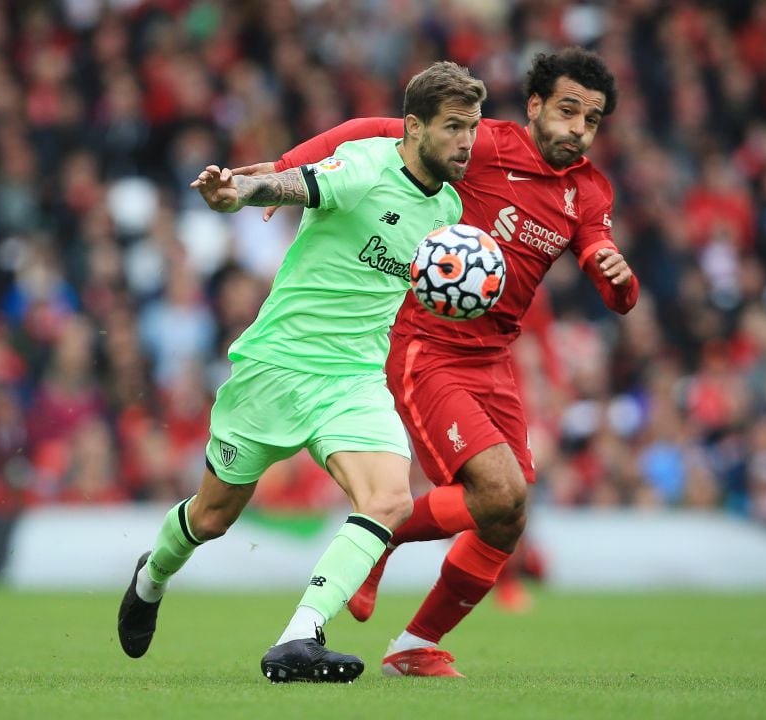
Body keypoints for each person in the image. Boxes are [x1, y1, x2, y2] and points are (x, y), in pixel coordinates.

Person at [235, 47, 638, 677]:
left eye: (592, 120)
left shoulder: (589, 190)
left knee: (506, 515)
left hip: (494, 357)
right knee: (495, 489)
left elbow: (608, 275)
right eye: (567, 112)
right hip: (427, 345)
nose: (579, 130)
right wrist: (289, 166)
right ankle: (382, 532)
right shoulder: (478, 143)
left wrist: (618, 278)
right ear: (535, 107)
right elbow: (374, 130)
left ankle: (411, 645)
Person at [116, 61, 487, 684]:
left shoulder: (447, 209)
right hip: (276, 367)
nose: (467, 141)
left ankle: (299, 636)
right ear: (414, 126)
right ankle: (150, 576)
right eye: (454, 127)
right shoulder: (368, 166)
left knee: (390, 499)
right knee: (212, 517)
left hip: (353, 380)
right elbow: (299, 186)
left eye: (472, 127)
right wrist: (238, 193)